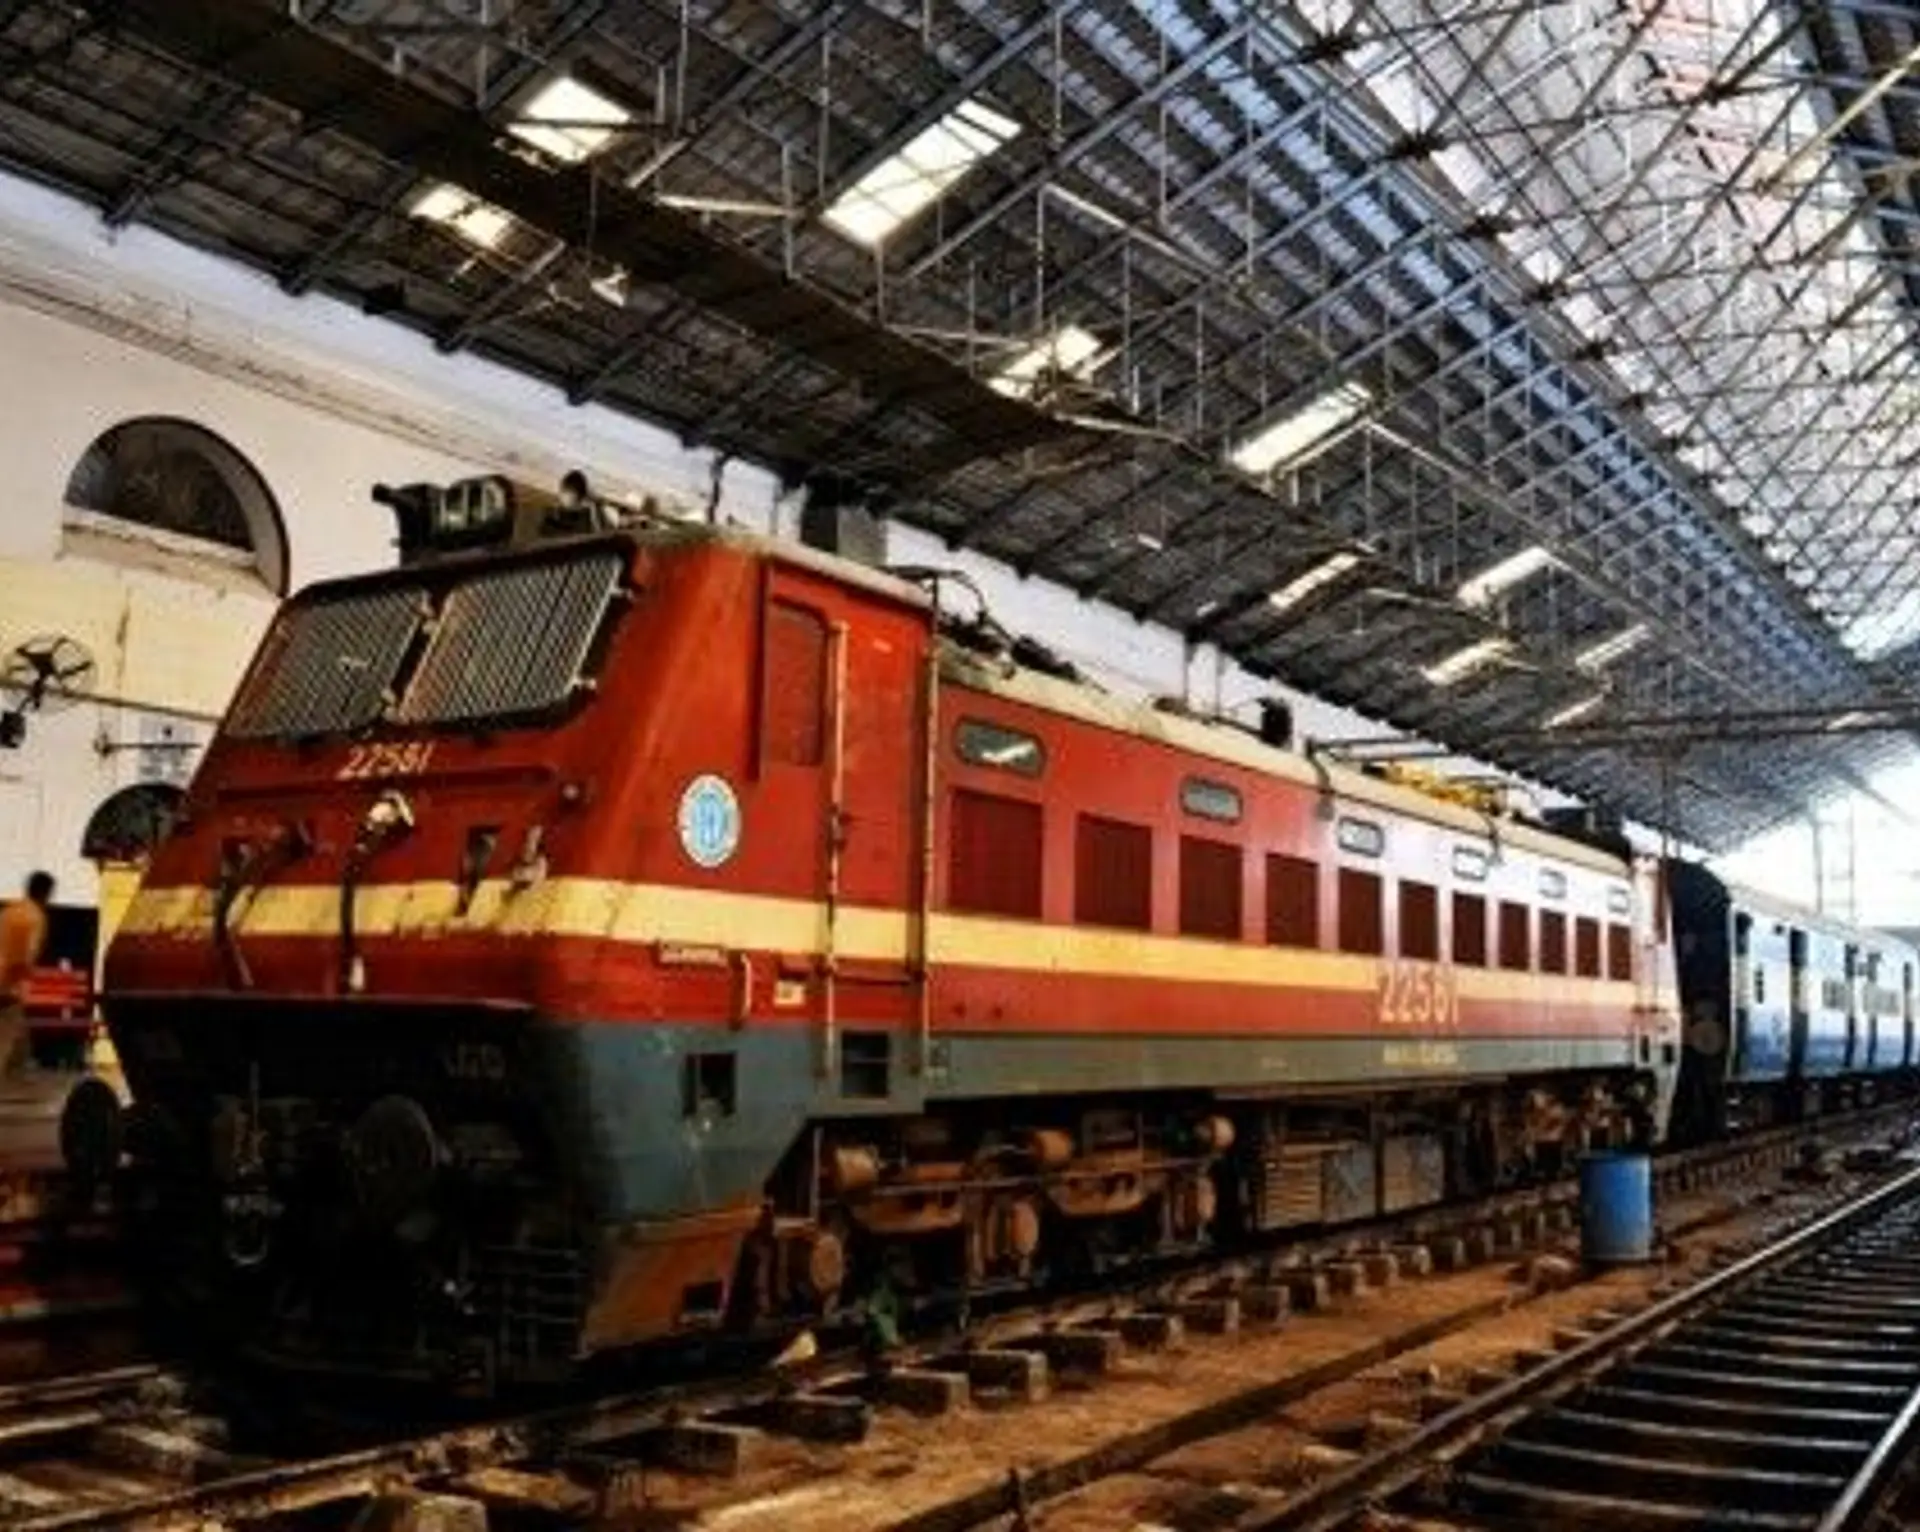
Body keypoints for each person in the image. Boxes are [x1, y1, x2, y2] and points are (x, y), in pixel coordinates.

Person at [0, 872, 53, 1079]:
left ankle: (18, 1080)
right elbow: (24, 957)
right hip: (8, 987)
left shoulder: (10, 911)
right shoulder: (35, 916)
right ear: (46, 893)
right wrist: (10, 987)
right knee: (5, 1041)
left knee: (19, 1043)